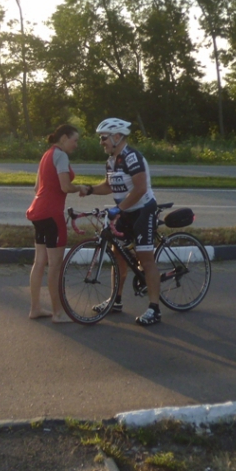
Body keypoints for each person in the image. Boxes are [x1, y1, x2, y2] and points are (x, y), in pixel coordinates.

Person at [85, 117, 162, 326]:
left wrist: (119, 208)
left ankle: (154, 308)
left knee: (145, 259)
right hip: (125, 212)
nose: (101, 142)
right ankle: (115, 300)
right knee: (117, 254)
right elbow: (108, 186)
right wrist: (90, 189)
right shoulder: (111, 160)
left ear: (117, 137)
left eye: (104, 138)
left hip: (143, 210)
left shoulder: (132, 157)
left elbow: (141, 188)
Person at [26, 124, 89, 322]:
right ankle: (58, 313)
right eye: (74, 140)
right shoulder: (61, 156)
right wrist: (80, 187)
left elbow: (37, 187)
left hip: (38, 211)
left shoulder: (47, 155)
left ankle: (35, 308)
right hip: (52, 214)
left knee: (39, 262)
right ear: (63, 138)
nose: (76, 144)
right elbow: (65, 186)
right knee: (55, 265)